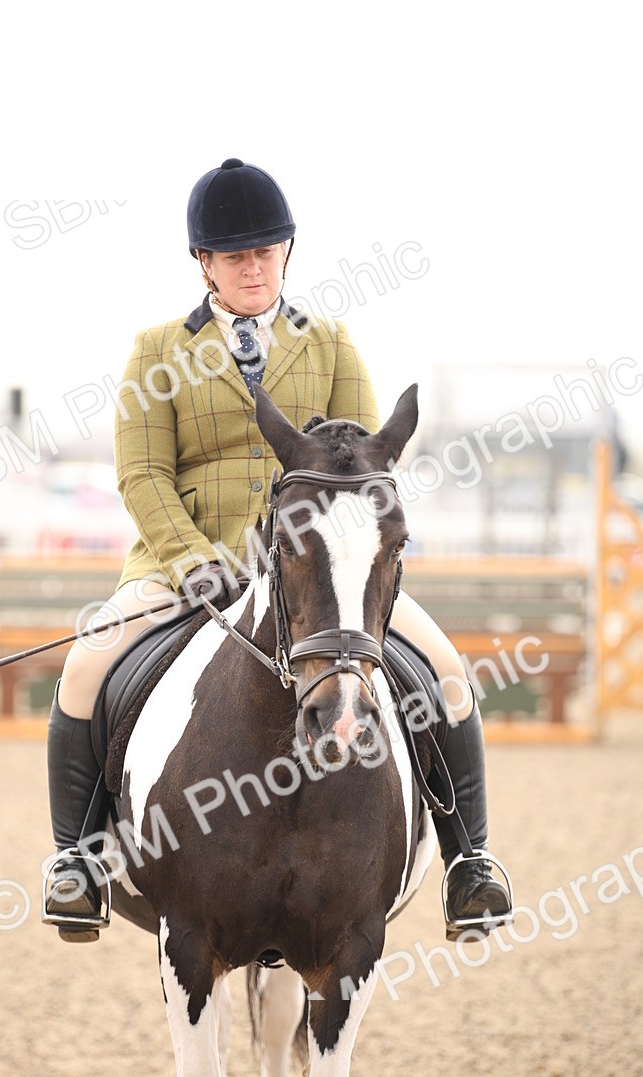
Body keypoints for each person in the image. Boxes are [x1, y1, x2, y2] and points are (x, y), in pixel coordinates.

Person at [44, 157, 513, 943]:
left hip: (320, 573)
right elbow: (143, 470)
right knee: (87, 666)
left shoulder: (328, 341)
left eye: (266, 251)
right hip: (184, 564)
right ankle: (77, 861)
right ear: (205, 264)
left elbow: (365, 463)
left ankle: (471, 861)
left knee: (449, 674)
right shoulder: (158, 349)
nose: (253, 267)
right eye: (235, 256)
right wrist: (193, 557)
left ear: (287, 252)